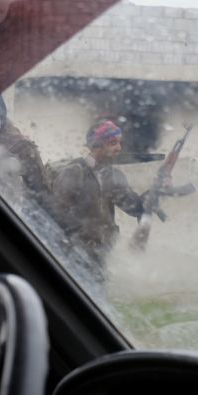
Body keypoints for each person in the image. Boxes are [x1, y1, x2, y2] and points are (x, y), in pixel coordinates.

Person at [49, 119, 145, 282]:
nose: (119, 148)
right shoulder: (74, 172)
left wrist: (154, 193)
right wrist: (82, 236)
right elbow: (58, 212)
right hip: (75, 255)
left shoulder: (113, 176)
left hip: (102, 252)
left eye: (119, 143)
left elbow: (133, 207)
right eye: (113, 143)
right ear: (96, 145)